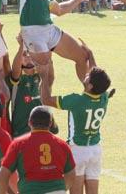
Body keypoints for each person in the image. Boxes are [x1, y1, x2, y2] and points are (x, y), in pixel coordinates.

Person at [40, 39, 112, 194]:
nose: (86, 75)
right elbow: (94, 72)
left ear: (91, 86)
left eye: (88, 78)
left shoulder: (76, 101)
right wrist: (90, 54)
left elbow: (46, 99)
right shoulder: (103, 97)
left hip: (77, 150)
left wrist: (44, 76)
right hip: (95, 150)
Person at [0, 106, 76, 194]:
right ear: (50, 124)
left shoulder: (18, 144)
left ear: (29, 122)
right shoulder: (62, 145)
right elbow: (71, 174)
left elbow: (2, 176)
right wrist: (60, 189)